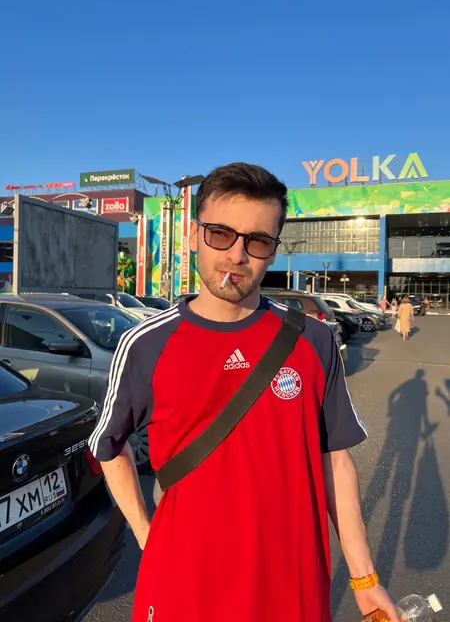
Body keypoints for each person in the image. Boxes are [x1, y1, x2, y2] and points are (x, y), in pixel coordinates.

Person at [88, 163, 399, 622]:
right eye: (220, 234)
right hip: (184, 587)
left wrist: (365, 579)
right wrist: (145, 532)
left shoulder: (312, 340)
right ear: (193, 236)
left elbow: (336, 462)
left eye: (257, 240)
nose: (236, 255)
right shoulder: (147, 345)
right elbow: (108, 445)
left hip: (292, 587)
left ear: (273, 250)